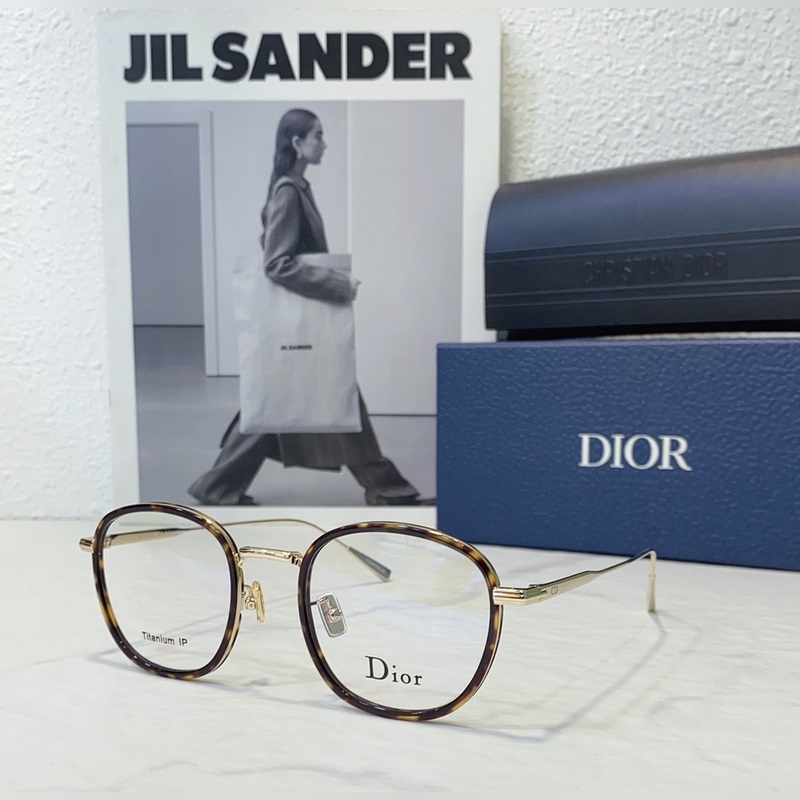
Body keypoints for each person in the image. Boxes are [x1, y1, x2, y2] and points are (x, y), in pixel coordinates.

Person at [189, 108, 422, 506]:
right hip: (303, 321)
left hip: (298, 324)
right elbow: (276, 263)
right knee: (328, 399)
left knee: (275, 405)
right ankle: (386, 488)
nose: (324, 144)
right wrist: (337, 284)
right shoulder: (288, 192)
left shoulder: (295, 188)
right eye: (318, 136)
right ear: (297, 143)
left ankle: (218, 486)